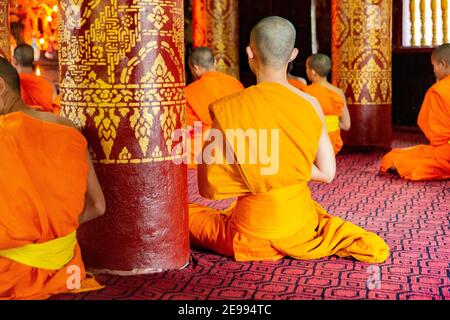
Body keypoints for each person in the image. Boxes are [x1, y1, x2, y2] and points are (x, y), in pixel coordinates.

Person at [189, 17, 389, 263]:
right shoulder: (310, 104)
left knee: (183, 216)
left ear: (249, 53)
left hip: (249, 231)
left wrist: (261, 169)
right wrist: (285, 168)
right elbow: (327, 173)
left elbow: (209, 185)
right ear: (293, 54)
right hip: (300, 226)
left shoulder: (229, 108)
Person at [0, 57, 106, 299]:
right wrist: (50, 235)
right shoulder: (69, 129)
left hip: (11, 276)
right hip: (65, 270)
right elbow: (99, 206)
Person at [380, 43, 450, 180]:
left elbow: (434, 133)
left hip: (445, 151)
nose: (434, 70)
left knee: (392, 158)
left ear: (443, 65)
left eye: (434, 65)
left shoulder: (438, 91)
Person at [185, 47, 244, 167]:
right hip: (235, 149)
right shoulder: (235, 84)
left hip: (203, 156)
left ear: (195, 68)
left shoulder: (189, 92)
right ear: (215, 62)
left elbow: (185, 128)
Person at [304, 53, 351, 154]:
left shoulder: (305, 92)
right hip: (332, 143)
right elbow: (346, 125)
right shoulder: (338, 92)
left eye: (306, 68)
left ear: (313, 72)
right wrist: (330, 124)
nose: (306, 71)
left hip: (312, 142)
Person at [13, 44, 57, 113]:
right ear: (33, 61)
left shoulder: (12, 83)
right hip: (46, 122)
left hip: (21, 122)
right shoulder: (49, 83)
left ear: (14, 61)